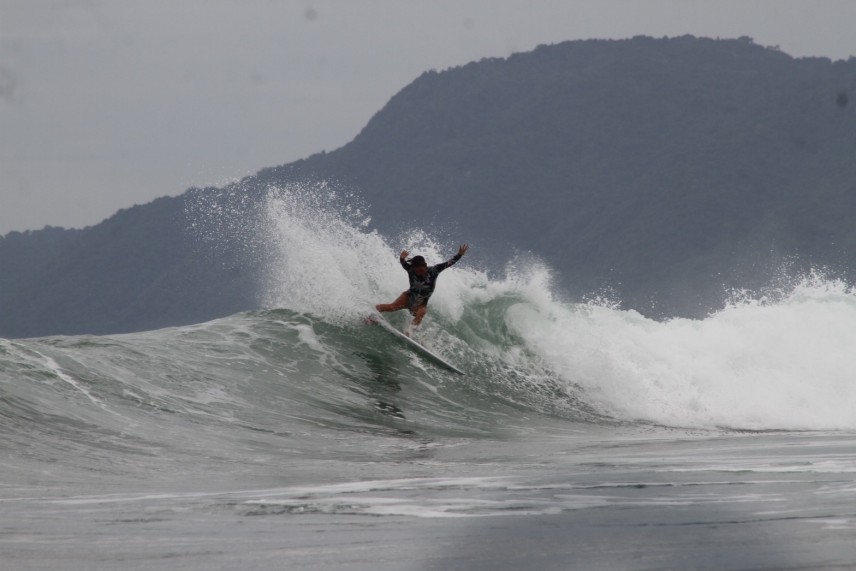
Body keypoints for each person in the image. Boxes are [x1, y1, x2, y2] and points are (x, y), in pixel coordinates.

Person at [376, 244, 469, 330]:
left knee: (422, 313)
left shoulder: (434, 270)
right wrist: (402, 258)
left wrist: (459, 255)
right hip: (407, 297)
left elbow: (448, 263)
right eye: (416, 270)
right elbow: (403, 262)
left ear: (425, 265)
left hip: (420, 304)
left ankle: (409, 332)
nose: (418, 272)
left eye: (420, 270)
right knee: (391, 307)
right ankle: (373, 311)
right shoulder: (411, 270)